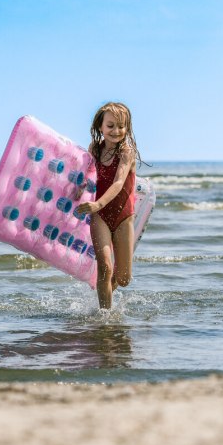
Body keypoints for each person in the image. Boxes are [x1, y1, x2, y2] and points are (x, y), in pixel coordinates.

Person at [77, 102, 139, 309]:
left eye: (121, 126)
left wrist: (98, 203)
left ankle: (105, 293)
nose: (116, 131)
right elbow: (87, 170)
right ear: (100, 127)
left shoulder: (127, 152)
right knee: (104, 267)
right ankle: (105, 317)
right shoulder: (95, 148)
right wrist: (81, 186)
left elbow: (119, 182)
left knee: (123, 279)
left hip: (123, 216)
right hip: (100, 215)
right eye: (110, 125)